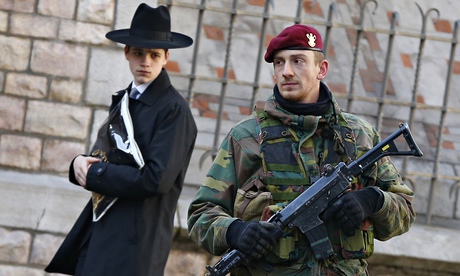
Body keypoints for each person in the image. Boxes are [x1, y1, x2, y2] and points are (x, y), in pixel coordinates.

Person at [187, 24, 415, 275]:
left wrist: (372, 200)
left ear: (322, 69)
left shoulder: (357, 135)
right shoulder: (247, 137)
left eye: (298, 61)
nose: (286, 72)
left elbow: (404, 210)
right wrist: (234, 231)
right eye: (278, 63)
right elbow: (201, 215)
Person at [45, 3, 197, 276]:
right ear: (127, 53)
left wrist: (95, 174)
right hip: (102, 231)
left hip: (135, 243)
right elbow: (105, 156)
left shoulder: (174, 110)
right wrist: (79, 163)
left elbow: (155, 179)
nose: (145, 62)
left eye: (154, 54)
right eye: (138, 53)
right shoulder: (125, 99)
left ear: (166, 57)